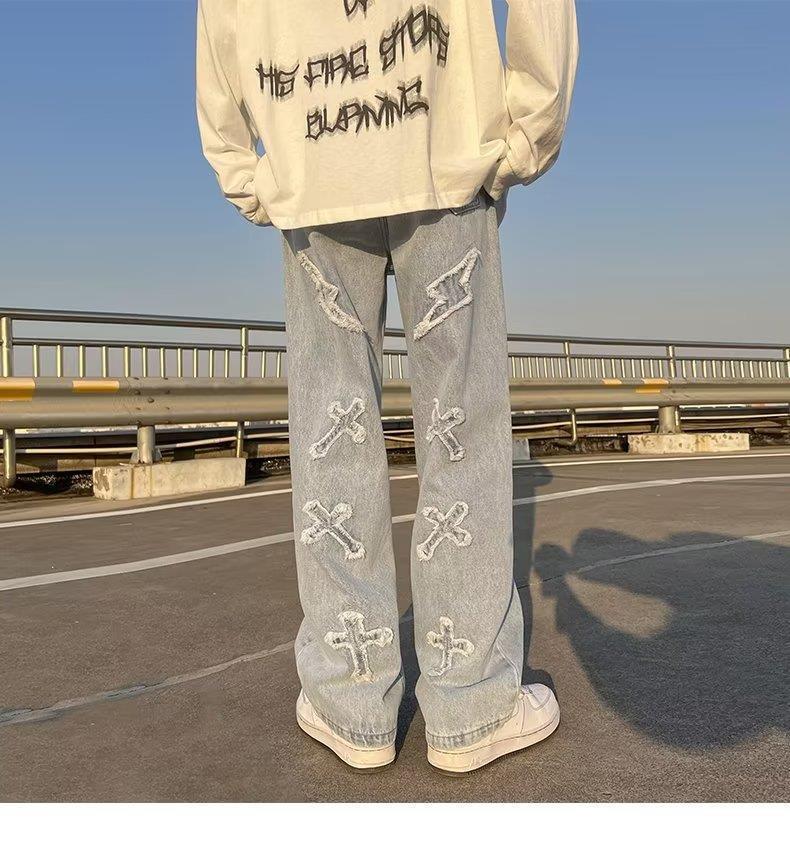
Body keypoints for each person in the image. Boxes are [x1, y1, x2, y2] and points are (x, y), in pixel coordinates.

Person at [196, 0, 578, 774]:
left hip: (311, 156)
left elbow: (219, 25)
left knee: (329, 430)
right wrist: (525, 133)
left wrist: (248, 174)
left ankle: (350, 700)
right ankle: (471, 702)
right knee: (461, 428)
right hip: (441, 140)